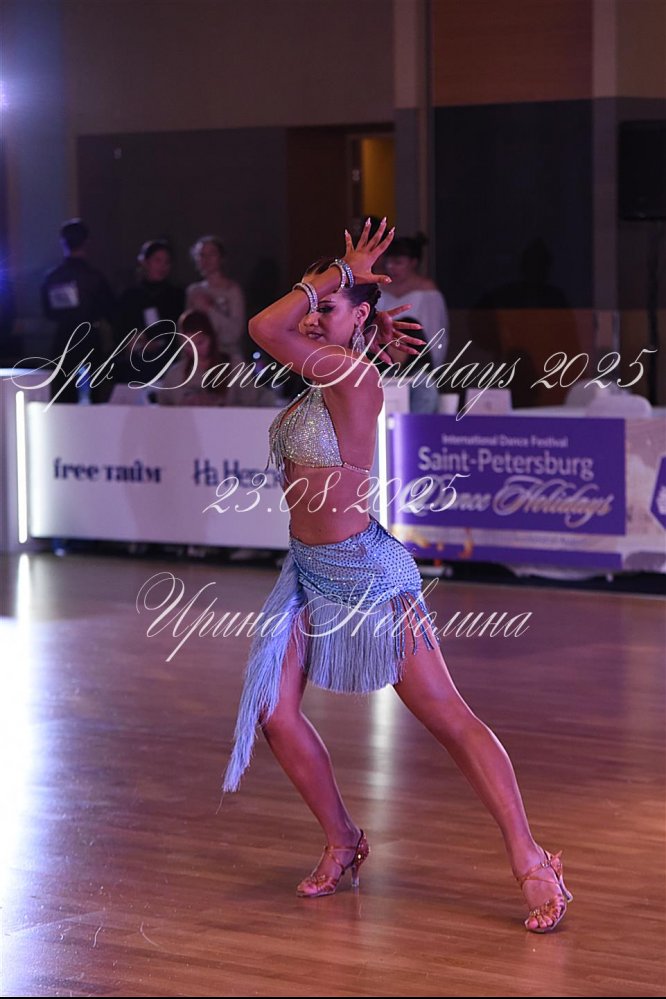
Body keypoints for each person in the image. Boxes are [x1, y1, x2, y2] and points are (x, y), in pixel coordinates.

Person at [220, 219, 572, 933]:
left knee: (448, 717)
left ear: (358, 318)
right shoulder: (324, 380)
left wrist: (346, 278)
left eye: (325, 306)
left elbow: (262, 325)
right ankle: (343, 838)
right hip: (306, 570)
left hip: (367, 574)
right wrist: (344, 295)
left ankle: (532, 859)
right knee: (273, 712)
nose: (310, 315)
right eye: (309, 303)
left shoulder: (354, 377)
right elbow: (279, 330)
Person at [41, 218, 115, 403]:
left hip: (64, 340)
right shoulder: (95, 277)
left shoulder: (53, 278)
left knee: (64, 396)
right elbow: (110, 309)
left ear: (62, 242)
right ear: (86, 242)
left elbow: (48, 312)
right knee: (96, 396)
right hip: (91, 339)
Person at [379, 232, 449, 369]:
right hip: (383, 361)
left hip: (418, 363)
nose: (391, 267)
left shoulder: (427, 291)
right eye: (388, 262)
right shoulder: (380, 287)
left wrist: (432, 366)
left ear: (413, 262)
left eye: (398, 263)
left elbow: (436, 332)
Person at [185, 235, 246, 367]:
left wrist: (210, 309)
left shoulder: (232, 290)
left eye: (212, 254)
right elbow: (186, 331)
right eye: (202, 255)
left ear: (221, 257)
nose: (206, 259)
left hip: (227, 360)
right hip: (199, 362)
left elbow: (235, 333)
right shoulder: (194, 291)